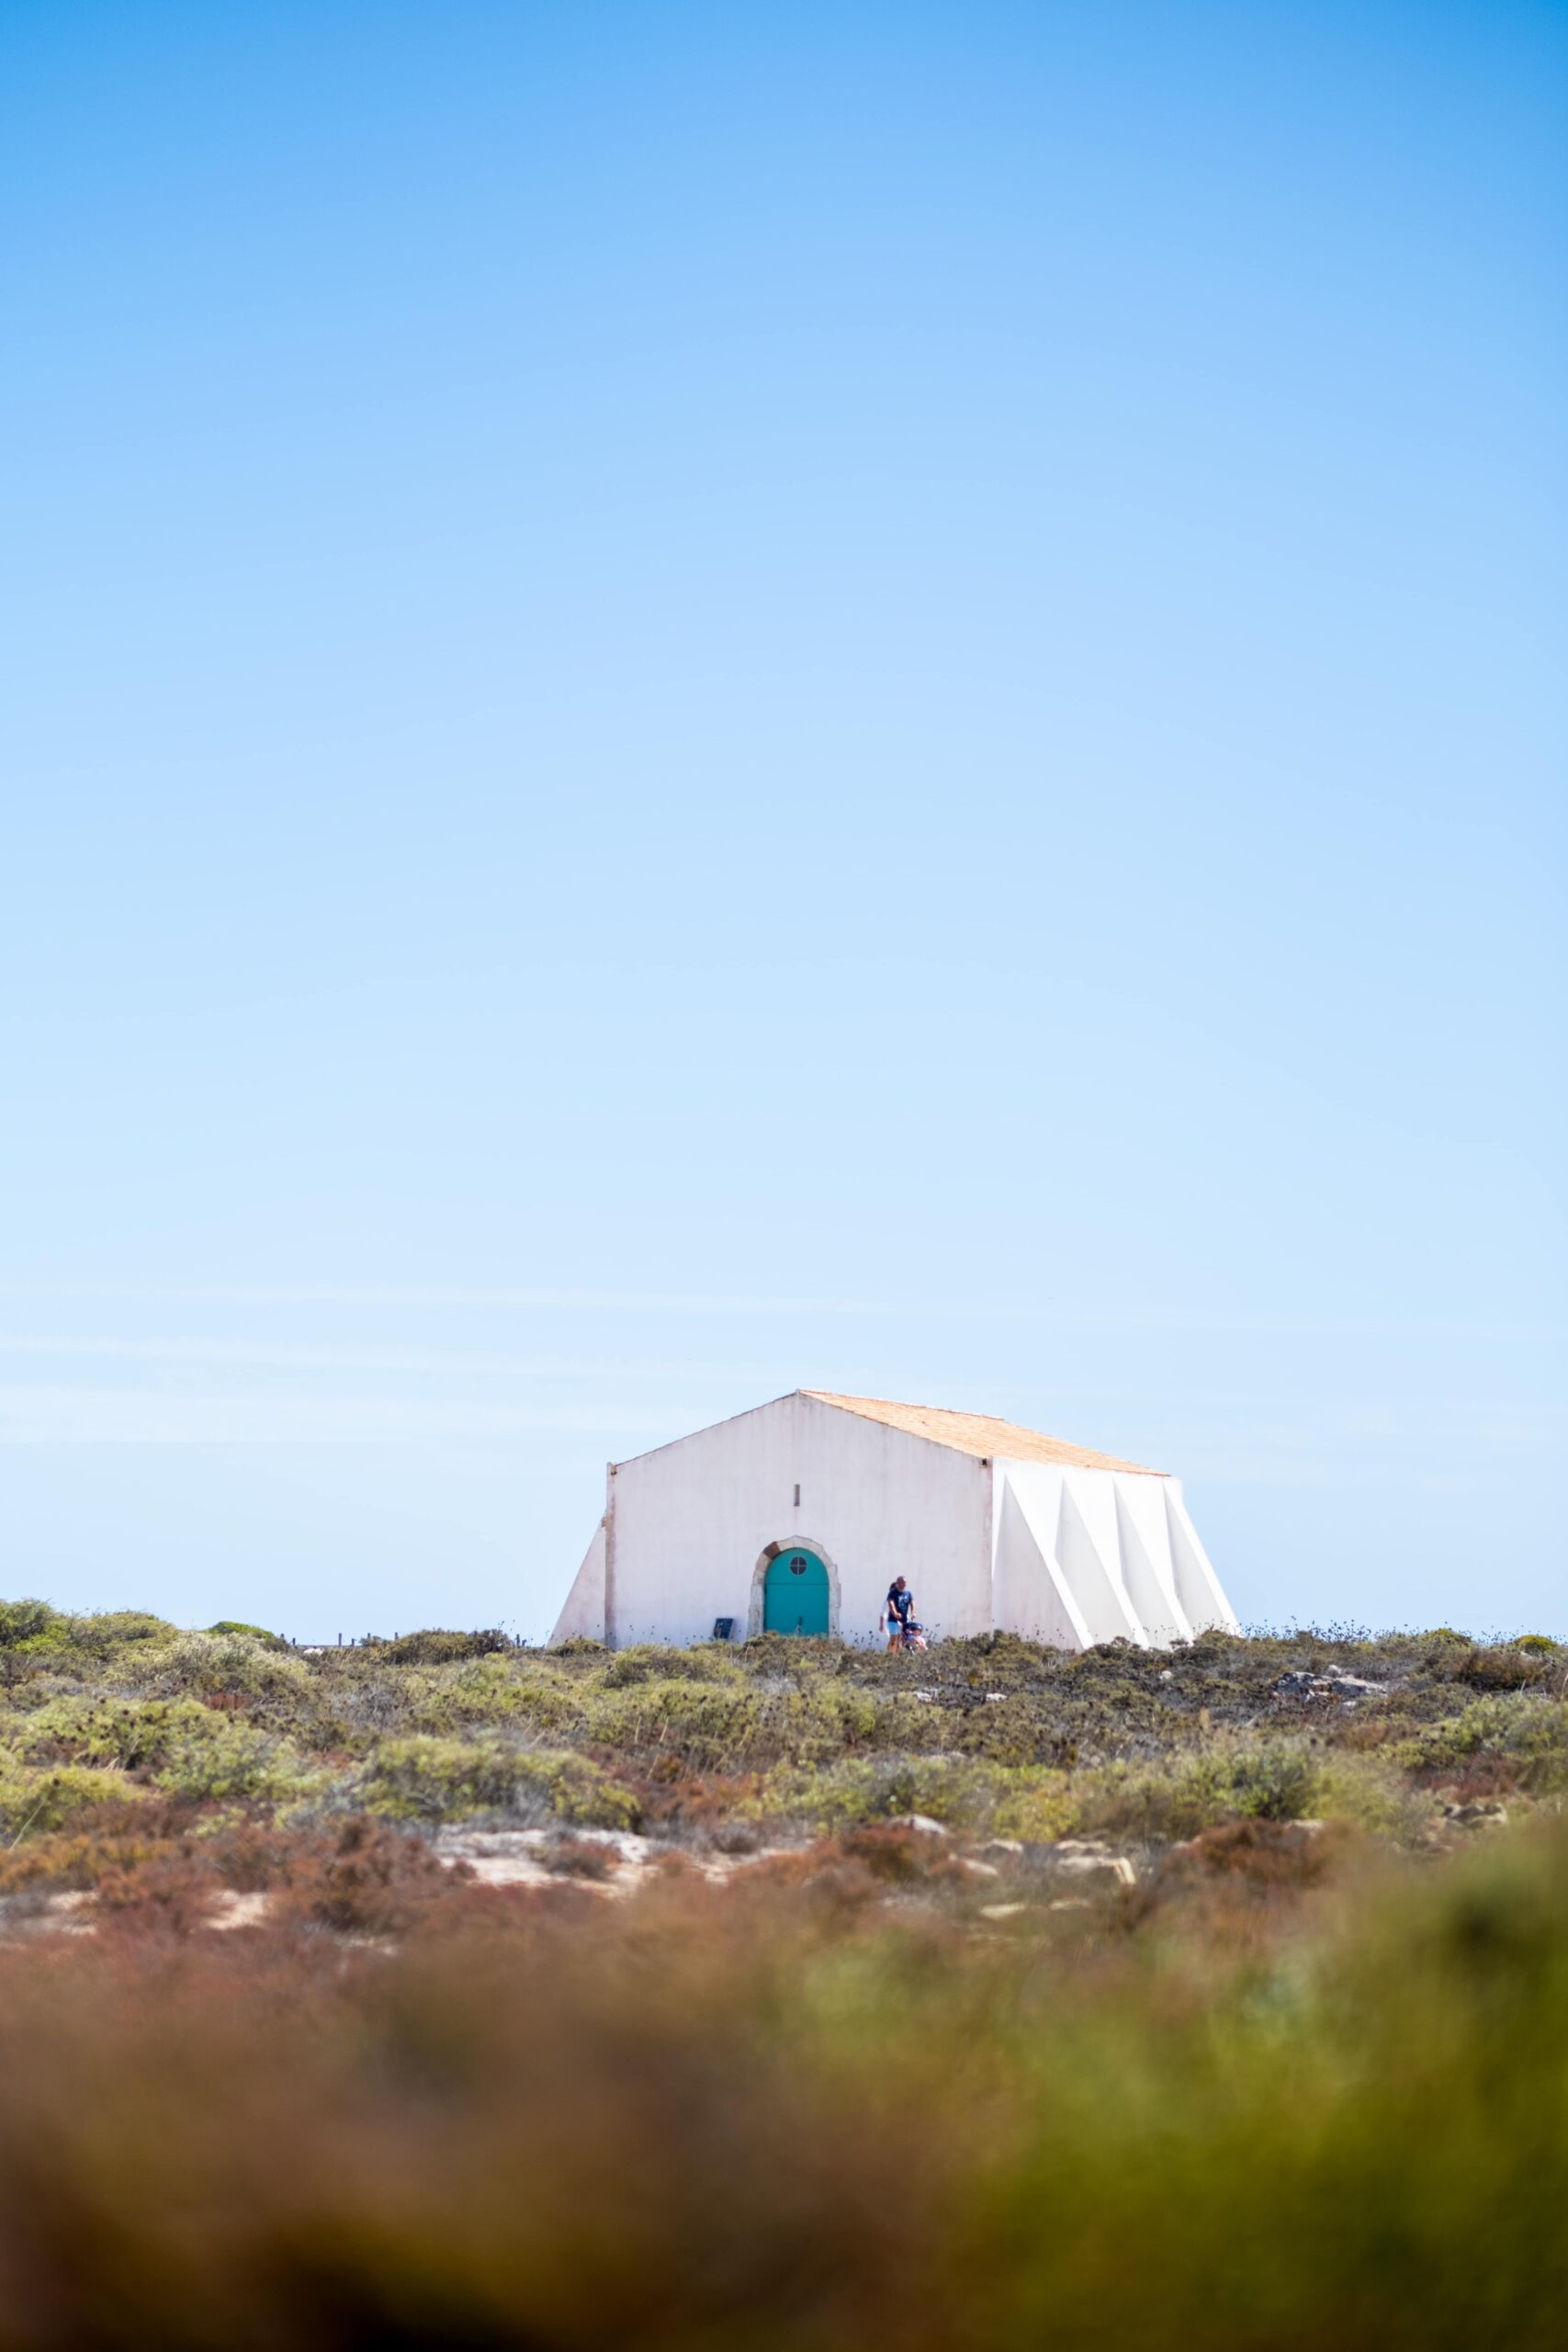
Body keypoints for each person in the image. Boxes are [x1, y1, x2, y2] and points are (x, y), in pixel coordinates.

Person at [884, 1576, 915, 1651]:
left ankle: (896, 1654)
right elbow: (891, 1603)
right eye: (903, 1582)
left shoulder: (908, 1593)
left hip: (903, 1620)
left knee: (900, 1639)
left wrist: (913, 1613)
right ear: (898, 1583)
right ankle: (890, 1654)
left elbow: (912, 1603)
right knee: (894, 1638)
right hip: (893, 1620)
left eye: (905, 1582)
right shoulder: (892, 1593)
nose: (905, 1584)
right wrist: (895, 1613)